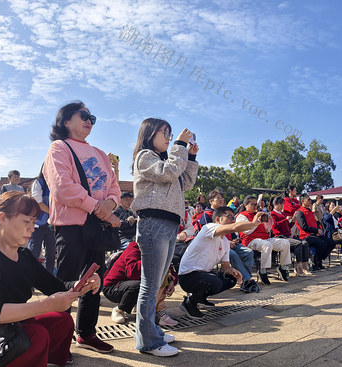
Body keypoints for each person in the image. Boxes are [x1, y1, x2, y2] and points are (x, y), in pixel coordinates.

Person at [0, 192, 102, 367]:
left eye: (33, 222)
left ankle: (43, 360)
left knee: (61, 320)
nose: (32, 228)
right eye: (26, 221)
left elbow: (56, 287)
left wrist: (80, 285)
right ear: (2, 218)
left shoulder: (24, 256)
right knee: (37, 336)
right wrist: (47, 304)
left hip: (12, 323)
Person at [43, 101, 121, 353]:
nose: (89, 120)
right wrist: (96, 206)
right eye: (84, 116)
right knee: (64, 282)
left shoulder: (98, 152)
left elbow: (114, 186)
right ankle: (56, 339)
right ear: (66, 121)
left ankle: (86, 333)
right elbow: (62, 187)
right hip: (71, 227)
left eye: (92, 118)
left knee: (93, 282)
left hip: (96, 227)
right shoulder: (59, 148)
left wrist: (110, 204)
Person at [130, 118, 198, 356]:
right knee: (150, 285)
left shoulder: (167, 159)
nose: (169, 137)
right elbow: (169, 172)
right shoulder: (145, 156)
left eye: (171, 134)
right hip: (153, 223)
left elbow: (186, 183)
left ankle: (152, 333)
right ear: (149, 134)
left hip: (168, 223)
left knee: (156, 283)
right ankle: (148, 341)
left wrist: (190, 158)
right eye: (165, 133)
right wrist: (180, 144)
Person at [178, 206, 256, 319]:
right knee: (214, 281)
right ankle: (189, 303)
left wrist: (233, 271)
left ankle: (201, 299)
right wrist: (253, 224)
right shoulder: (208, 228)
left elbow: (226, 267)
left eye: (233, 217)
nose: (233, 220)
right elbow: (234, 227)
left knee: (230, 279)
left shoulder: (224, 241)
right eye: (229, 216)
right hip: (188, 276)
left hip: (204, 275)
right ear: (218, 219)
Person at [102, 242, 180, 328]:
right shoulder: (134, 247)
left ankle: (157, 312)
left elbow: (170, 269)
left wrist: (172, 281)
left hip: (131, 283)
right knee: (140, 285)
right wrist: (150, 259)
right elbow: (132, 272)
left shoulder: (158, 249)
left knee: (162, 276)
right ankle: (119, 309)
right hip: (113, 287)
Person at [236, 197, 293, 284]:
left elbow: (267, 230)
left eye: (256, 204)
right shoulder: (241, 216)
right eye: (252, 204)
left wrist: (269, 221)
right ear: (245, 205)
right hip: (250, 240)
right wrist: (256, 221)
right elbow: (247, 231)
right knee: (267, 244)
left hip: (264, 239)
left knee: (285, 242)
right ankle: (263, 271)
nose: (255, 206)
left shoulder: (259, 214)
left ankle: (283, 268)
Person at [292, 194, 335, 270]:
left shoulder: (310, 212)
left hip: (314, 234)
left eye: (310, 199)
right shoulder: (300, 212)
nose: (310, 201)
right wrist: (316, 230)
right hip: (306, 236)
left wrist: (318, 230)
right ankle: (316, 262)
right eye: (308, 200)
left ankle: (319, 260)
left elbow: (315, 223)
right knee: (322, 244)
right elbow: (304, 227)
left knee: (331, 243)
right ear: (302, 201)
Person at [27, 170, 57, 273]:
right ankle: (29, 281)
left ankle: (48, 281)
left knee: (51, 255)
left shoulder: (56, 183)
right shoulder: (38, 183)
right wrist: (54, 213)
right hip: (37, 225)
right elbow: (38, 203)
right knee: (33, 253)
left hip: (51, 225)